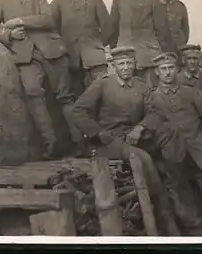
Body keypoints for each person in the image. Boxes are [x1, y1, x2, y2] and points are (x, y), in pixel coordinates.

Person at [69, 46, 180, 235]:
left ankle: (173, 207)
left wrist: (140, 128)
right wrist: (98, 133)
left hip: (134, 138)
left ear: (135, 65)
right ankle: (164, 217)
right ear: (113, 66)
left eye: (129, 63)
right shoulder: (102, 85)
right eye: (121, 63)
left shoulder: (141, 86)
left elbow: (154, 112)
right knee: (142, 158)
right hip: (108, 142)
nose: (126, 67)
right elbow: (78, 111)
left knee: (167, 148)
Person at [0, 0, 82, 159]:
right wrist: (8, 35)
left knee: (65, 97)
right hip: (25, 56)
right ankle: (50, 144)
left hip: (52, 52)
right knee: (34, 93)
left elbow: (49, 20)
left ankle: (81, 143)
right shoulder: (2, 1)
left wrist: (19, 21)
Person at [145, 52, 202, 236]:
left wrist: (199, 136)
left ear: (177, 69)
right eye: (163, 69)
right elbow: (149, 130)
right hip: (174, 162)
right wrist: (164, 148)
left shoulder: (189, 92)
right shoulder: (151, 99)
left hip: (201, 157)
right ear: (157, 72)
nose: (168, 73)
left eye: (171, 68)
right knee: (188, 212)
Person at [51, 0, 112, 94]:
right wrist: (61, 48)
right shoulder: (58, 1)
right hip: (69, 58)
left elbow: (107, 26)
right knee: (72, 95)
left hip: (94, 58)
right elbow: (52, 28)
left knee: (101, 92)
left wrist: (98, 46)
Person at [109, 0, 170, 87]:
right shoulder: (119, 1)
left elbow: (161, 29)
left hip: (148, 56)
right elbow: (113, 29)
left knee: (150, 89)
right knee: (125, 90)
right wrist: (118, 49)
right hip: (125, 55)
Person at [154, 0, 189, 64]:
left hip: (178, 55)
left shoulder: (180, 6)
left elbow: (185, 32)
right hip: (159, 56)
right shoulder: (152, 6)